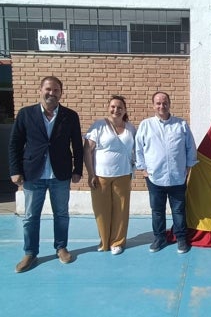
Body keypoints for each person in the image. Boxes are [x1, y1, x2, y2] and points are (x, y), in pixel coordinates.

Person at [8, 76, 83, 273]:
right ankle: (30, 253)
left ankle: (61, 247)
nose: (52, 93)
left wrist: (77, 170)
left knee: (62, 214)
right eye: (48, 89)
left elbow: (77, 145)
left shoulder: (70, 115)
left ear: (61, 93)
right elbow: (15, 144)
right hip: (33, 174)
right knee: (31, 216)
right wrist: (15, 170)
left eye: (56, 90)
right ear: (40, 90)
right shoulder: (26, 114)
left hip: (60, 174)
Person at [135, 91, 198, 254]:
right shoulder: (146, 125)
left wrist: (189, 166)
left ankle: (181, 239)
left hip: (177, 176)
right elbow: (138, 148)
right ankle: (159, 238)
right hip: (155, 177)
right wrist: (142, 168)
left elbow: (190, 146)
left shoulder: (181, 124)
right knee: (157, 210)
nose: (161, 106)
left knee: (178, 210)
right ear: (153, 105)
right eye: (158, 103)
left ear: (169, 104)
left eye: (164, 103)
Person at [83, 95, 136, 255]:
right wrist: (91, 173)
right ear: (108, 108)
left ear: (125, 110)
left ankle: (117, 242)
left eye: (120, 107)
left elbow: (136, 150)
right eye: (113, 106)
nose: (116, 110)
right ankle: (104, 241)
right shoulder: (98, 126)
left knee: (121, 210)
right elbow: (88, 150)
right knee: (101, 210)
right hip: (100, 176)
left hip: (123, 175)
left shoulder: (131, 128)